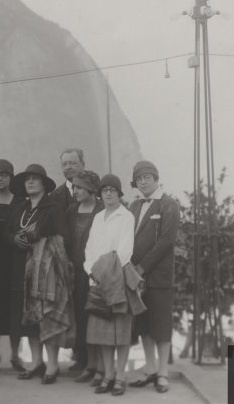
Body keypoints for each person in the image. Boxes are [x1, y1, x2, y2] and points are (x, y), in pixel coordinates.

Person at [7, 164, 74, 385]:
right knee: (29, 317)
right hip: (20, 269)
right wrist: (14, 238)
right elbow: (7, 231)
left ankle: (52, 364)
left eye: (35, 179)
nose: (30, 182)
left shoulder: (53, 208)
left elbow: (63, 237)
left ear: (44, 183)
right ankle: (36, 362)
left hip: (46, 271)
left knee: (47, 315)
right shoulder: (20, 208)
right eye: (27, 180)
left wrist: (41, 240)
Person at [84, 174, 144, 396]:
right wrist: (91, 271)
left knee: (121, 332)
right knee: (102, 332)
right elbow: (89, 249)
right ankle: (108, 375)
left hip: (118, 278)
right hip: (97, 279)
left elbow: (124, 250)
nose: (108, 193)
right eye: (104, 189)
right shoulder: (98, 217)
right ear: (100, 193)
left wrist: (104, 272)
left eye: (113, 190)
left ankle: (120, 376)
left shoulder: (126, 216)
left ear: (119, 194)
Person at [127, 161, 180, 394]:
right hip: (137, 277)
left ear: (156, 178)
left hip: (158, 277)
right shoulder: (134, 205)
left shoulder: (168, 204)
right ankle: (149, 370)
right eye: (139, 179)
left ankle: (162, 373)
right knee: (144, 325)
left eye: (147, 177)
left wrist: (142, 267)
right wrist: (131, 269)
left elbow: (165, 242)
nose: (143, 181)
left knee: (161, 325)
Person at [65, 170, 105, 381]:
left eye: (79, 187)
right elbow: (68, 241)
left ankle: (97, 365)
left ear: (91, 189)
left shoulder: (102, 209)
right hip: (76, 272)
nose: (75, 191)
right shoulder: (71, 210)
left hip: (96, 273)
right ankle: (84, 361)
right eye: (74, 187)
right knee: (80, 315)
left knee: (95, 315)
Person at [0, 159, 25, 374]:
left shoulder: (20, 201)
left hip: (14, 261)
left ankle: (15, 355)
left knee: (14, 309)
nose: (0, 178)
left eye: (4, 174)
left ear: (11, 178)